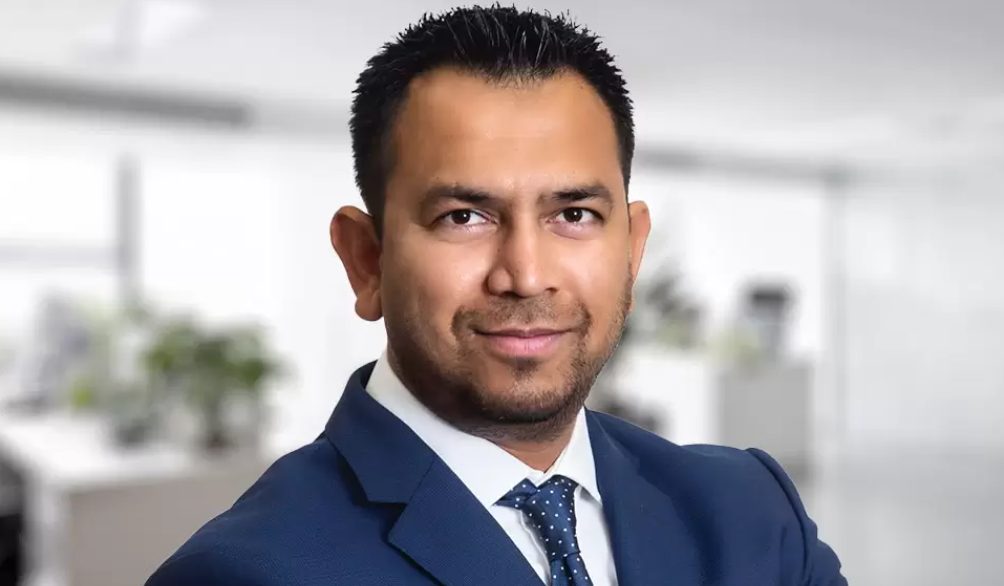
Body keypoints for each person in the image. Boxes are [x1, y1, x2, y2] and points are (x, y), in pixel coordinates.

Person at [146, 5, 846, 586]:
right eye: (464, 217)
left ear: (632, 255)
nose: (526, 275)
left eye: (574, 214)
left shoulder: (753, 513)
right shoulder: (246, 572)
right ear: (366, 261)